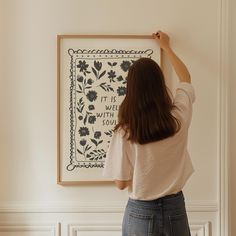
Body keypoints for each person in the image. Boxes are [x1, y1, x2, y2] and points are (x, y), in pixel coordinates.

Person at [103, 31, 195, 236]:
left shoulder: (126, 131)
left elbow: (120, 183)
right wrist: (166, 47)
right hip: (175, 209)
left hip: (140, 213)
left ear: (131, 90)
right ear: (160, 85)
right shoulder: (178, 117)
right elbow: (185, 78)